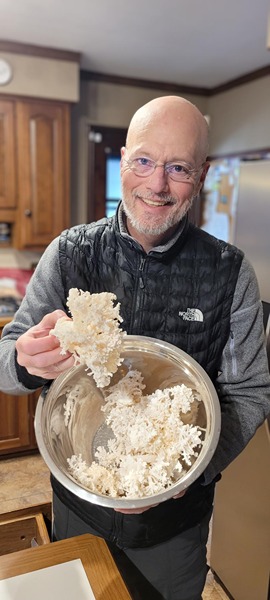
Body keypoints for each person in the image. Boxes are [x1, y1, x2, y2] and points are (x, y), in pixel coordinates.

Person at [0, 95, 269, 600]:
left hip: (176, 528)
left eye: (179, 168)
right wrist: (23, 361)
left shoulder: (231, 274)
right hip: (78, 507)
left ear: (203, 173)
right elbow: (6, 362)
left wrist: (187, 474)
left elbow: (250, 392)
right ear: (124, 160)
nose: (157, 184)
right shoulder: (69, 254)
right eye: (144, 161)